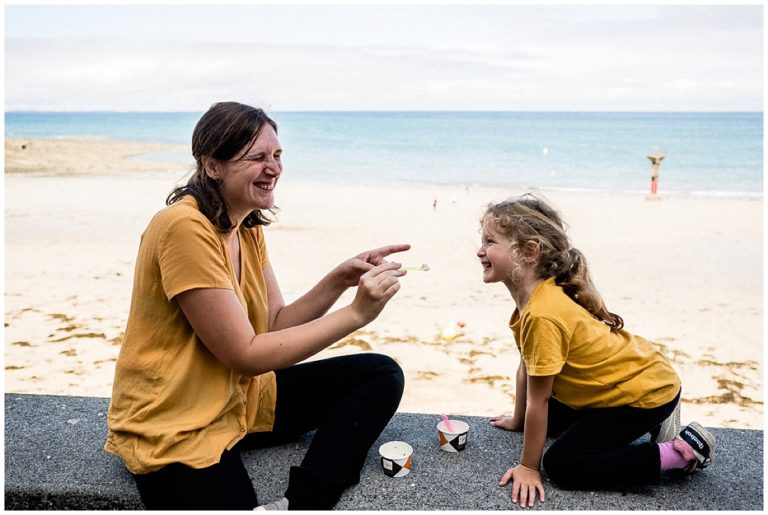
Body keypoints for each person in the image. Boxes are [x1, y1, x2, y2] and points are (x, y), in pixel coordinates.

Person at [104, 102, 410, 510]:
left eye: (277, 155)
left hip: (239, 401)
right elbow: (245, 354)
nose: (274, 168)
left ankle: (302, 502)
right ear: (213, 165)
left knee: (380, 374)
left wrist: (338, 280)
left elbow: (274, 324)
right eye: (258, 158)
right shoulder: (184, 228)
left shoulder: (244, 225)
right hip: (176, 422)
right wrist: (356, 314)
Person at [477, 193, 715, 508]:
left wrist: (529, 467)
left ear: (529, 252)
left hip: (644, 393)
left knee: (563, 465)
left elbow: (541, 398)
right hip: (630, 379)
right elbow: (527, 364)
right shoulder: (536, 299)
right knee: (552, 422)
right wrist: (519, 420)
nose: (479, 251)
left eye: (490, 242)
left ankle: (678, 454)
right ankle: (651, 423)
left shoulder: (542, 313)